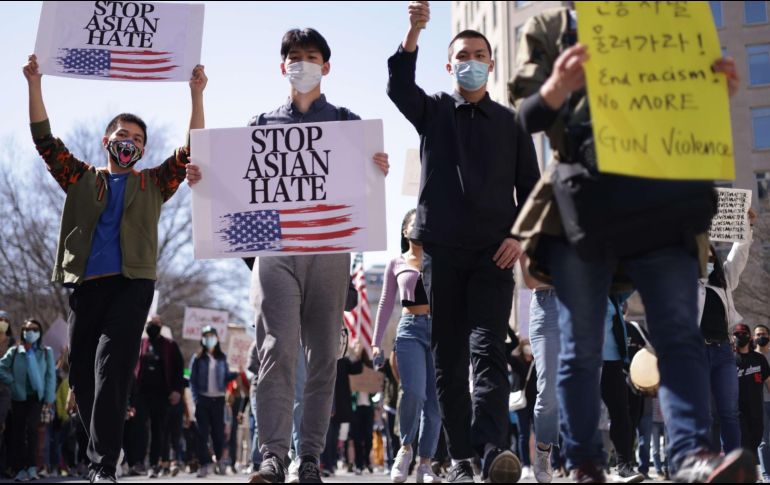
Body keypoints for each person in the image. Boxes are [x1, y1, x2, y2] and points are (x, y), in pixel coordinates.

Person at [509, 5, 755, 483]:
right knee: (581, 345)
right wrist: (558, 87)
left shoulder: (671, 23)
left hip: (664, 201)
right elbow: (526, 115)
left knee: (679, 336)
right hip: (586, 206)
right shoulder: (551, 28)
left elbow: (686, 109)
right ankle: (584, 461)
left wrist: (710, 95)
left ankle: (690, 458)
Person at [22, 53, 206, 482]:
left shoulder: (154, 183)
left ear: (143, 148)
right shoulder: (81, 178)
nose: (129, 142)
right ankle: (101, 450)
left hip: (132, 286)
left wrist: (195, 94)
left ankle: (103, 466)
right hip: (86, 287)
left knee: (111, 366)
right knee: (82, 375)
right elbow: (45, 141)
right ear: (107, 142)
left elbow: (192, 148)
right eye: (122, 135)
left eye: (137, 138)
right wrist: (35, 83)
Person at [387, 2, 539, 482]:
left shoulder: (512, 123)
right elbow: (397, 87)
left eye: (479, 54)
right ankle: (461, 459)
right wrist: (413, 30)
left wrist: (518, 236)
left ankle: (494, 449)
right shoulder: (432, 111)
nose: (470, 60)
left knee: (488, 349)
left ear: (491, 64)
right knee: (448, 358)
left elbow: (532, 190)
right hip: (443, 252)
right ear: (448, 64)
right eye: (462, 55)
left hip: (494, 254)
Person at [246, 27, 389, 485]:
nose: (301, 63)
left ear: (325, 66)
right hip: (278, 251)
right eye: (294, 56)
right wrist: (205, 178)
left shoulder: (349, 123)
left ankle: (308, 456)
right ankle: (271, 456)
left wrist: (376, 169)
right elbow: (238, 194)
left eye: (310, 56)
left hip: (329, 250)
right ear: (282, 65)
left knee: (324, 355)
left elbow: (362, 192)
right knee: (276, 347)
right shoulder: (260, 127)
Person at [372, 209, 442, 484]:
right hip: (409, 330)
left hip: (438, 332)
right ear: (405, 231)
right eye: (415, 223)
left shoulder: (439, 259)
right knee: (413, 392)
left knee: (435, 403)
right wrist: (376, 343)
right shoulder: (396, 263)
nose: (420, 227)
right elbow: (385, 303)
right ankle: (405, 448)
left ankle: (426, 464)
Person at [699, 209, 755, 454]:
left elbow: (739, 252)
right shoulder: (684, 284)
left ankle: (733, 465)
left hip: (723, 352)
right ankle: (706, 465)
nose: (709, 261)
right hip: (696, 353)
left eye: (712, 257)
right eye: (704, 257)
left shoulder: (723, 283)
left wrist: (745, 225)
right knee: (704, 413)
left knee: (729, 412)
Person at [0, 319, 56, 481]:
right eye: (26, 329)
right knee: (18, 432)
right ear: (22, 331)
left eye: (34, 329)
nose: (30, 332)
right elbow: (1, 367)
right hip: (18, 397)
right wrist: (11, 381)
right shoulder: (15, 351)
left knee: (32, 430)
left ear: (39, 332)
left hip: (36, 398)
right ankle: (19, 468)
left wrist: (49, 397)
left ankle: (32, 466)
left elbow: (50, 376)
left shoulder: (46, 351)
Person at [131, 315, 185, 478]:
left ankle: (154, 464)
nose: (152, 327)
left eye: (155, 324)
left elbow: (178, 369)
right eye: (149, 324)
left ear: (161, 326)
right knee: (140, 428)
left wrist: (177, 390)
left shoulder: (170, 346)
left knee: (158, 430)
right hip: (141, 394)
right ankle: (138, 461)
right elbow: (132, 369)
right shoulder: (140, 344)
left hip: (162, 395)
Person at [189, 326, 239, 478]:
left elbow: (227, 377)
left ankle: (220, 462)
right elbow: (192, 380)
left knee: (218, 433)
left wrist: (237, 371)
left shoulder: (223, 358)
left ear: (217, 338)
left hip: (218, 400)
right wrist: (196, 398)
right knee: (202, 434)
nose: (209, 339)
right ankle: (204, 464)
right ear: (202, 339)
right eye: (206, 336)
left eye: (212, 336)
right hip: (202, 400)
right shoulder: (197, 358)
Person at [734, 323, 770, 454]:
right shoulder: (730, 360)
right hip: (738, 411)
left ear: (749, 337)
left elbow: (768, 381)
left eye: (743, 334)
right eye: (737, 334)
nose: (740, 336)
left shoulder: (759, 359)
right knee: (743, 444)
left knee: (757, 439)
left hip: (756, 409)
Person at [0, 311, 16, 476]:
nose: (2, 323)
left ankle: (6, 466)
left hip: (6, 391)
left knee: (5, 428)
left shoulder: (12, 343)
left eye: (5, 320)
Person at [756, 324, 770, 482]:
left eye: (764, 333)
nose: (761, 336)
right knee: (763, 441)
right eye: (758, 334)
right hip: (759, 404)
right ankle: (766, 475)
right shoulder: (751, 357)